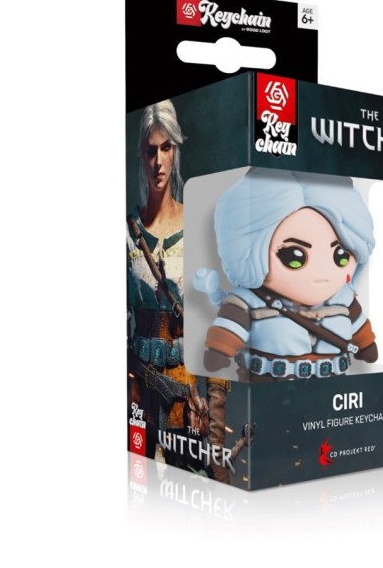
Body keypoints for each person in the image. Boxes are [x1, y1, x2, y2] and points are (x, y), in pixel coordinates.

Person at [127, 99, 230, 481]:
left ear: (175, 151)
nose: (158, 161)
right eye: (150, 150)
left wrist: (215, 433)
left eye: (166, 148)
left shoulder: (199, 227)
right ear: (142, 155)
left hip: (184, 401)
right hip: (137, 399)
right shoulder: (126, 234)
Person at [195, 168, 379, 381]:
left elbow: (359, 326)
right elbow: (231, 327)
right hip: (271, 385)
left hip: (332, 386)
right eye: (294, 256)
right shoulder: (249, 300)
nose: (321, 271)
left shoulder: (343, 298)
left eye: (341, 256)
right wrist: (220, 349)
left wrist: (366, 345)